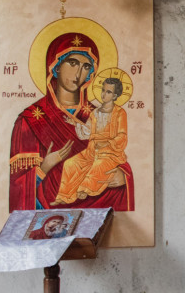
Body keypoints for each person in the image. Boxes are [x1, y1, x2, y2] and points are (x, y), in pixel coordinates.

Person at [9, 33, 134, 211]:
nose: (78, 73)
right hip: (49, 216)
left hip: (98, 209)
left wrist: (123, 176)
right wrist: (45, 166)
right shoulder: (30, 120)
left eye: (86, 66)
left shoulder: (98, 113)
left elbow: (117, 152)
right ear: (56, 66)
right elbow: (18, 188)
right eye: (73, 63)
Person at [51, 77, 129, 205]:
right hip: (92, 150)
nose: (104, 94)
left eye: (108, 92)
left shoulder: (120, 113)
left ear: (115, 95)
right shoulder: (95, 112)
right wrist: (76, 124)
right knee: (70, 164)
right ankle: (63, 197)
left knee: (98, 166)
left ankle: (84, 189)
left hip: (110, 152)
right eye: (103, 90)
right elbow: (87, 132)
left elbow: (122, 136)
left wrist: (108, 143)